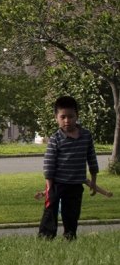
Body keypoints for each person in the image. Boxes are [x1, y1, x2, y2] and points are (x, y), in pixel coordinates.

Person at [39, 95, 111, 240]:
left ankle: (70, 236)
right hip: (57, 184)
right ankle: (46, 237)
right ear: (56, 118)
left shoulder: (86, 136)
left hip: (76, 184)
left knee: (71, 213)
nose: (67, 120)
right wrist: (49, 188)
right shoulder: (55, 139)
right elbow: (49, 164)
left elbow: (91, 158)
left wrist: (94, 181)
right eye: (63, 117)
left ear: (77, 116)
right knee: (50, 211)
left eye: (71, 116)